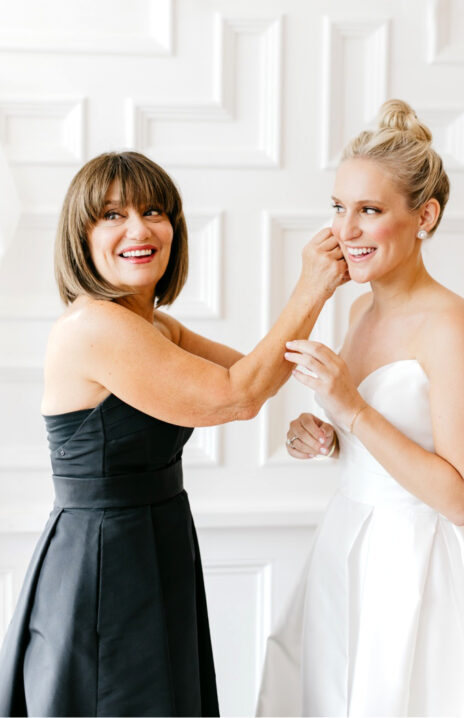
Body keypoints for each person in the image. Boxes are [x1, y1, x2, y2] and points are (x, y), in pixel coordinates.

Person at [0, 151, 347, 716]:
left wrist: (323, 412)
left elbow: (259, 370)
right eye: (112, 215)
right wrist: (312, 286)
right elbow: (237, 395)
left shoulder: (154, 326)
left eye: (153, 210)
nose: (139, 229)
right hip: (102, 564)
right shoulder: (94, 326)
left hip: (156, 545)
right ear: (80, 236)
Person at [255, 99, 464, 717]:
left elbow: (463, 497)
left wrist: (351, 410)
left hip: (420, 567)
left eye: (369, 211)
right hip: (346, 545)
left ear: (424, 216)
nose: (345, 231)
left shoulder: (452, 325)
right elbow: (376, 442)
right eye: (338, 207)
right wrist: (329, 438)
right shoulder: (359, 310)